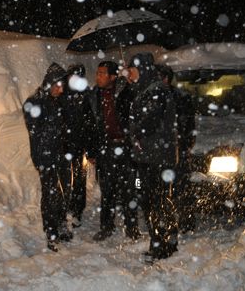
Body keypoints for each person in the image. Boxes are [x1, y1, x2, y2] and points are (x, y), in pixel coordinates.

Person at [127, 53, 179, 262]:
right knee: (143, 195)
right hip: (144, 158)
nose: (129, 74)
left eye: (132, 70)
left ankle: (164, 242)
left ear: (143, 69)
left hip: (158, 159)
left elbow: (151, 120)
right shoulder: (144, 91)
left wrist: (135, 132)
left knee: (157, 199)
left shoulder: (158, 91)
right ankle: (159, 239)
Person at [87, 61, 141, 241]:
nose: (98, 77)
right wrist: (92, 151)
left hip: (125, 147)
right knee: (107, 190)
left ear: (112, 77)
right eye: (97, 73)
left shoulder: (125, 91)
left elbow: (138, 108)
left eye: (103, 73)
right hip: (106, 148)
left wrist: (129, 81)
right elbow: (91, 125)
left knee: (129, 190)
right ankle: (106, 227)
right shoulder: (94, 95)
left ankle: (131, 227)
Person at [23, 62, 72, 251]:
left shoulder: (53, 100)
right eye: (59, 86)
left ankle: (60, 224)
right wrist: (43, 158)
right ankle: (51, 233)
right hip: (45, 157)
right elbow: (36, 134)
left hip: (58, 155)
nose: (61, 91)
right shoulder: (34, 103)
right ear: (50, 83)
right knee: (50, 195)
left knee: (61, 192)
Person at [156, 64, 197, 233]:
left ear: (165, 78)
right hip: (160, 150)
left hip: (175, 148)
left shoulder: (180, 97)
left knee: (180, 186)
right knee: (162, 187)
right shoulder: (152, 96)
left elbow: (188, 124)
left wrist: (185, 145)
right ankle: (166, 219)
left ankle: (186, 221)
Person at [63, 63, 94, 227]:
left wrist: (89, 148)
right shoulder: (63, 94)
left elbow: (90, 123)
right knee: (65, 178)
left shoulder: (86, 96)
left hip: (79, 145)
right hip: (64, 145)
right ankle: (66, 205)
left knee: (79, 179)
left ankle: (77, 210)